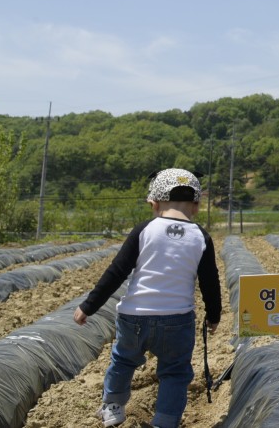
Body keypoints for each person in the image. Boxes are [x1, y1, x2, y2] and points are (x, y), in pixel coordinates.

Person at [74, 168, 221, 428]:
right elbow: (210, 281)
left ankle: (113, 407)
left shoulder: (145, 230)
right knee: (175, 372)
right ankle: (164, 422)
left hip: (135, 317)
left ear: (154, 203)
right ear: (196, 206)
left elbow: (117, 271)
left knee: (123, 360)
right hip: (177, 319)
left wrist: (89, 306)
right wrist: (214, 315)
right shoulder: (201, 237)